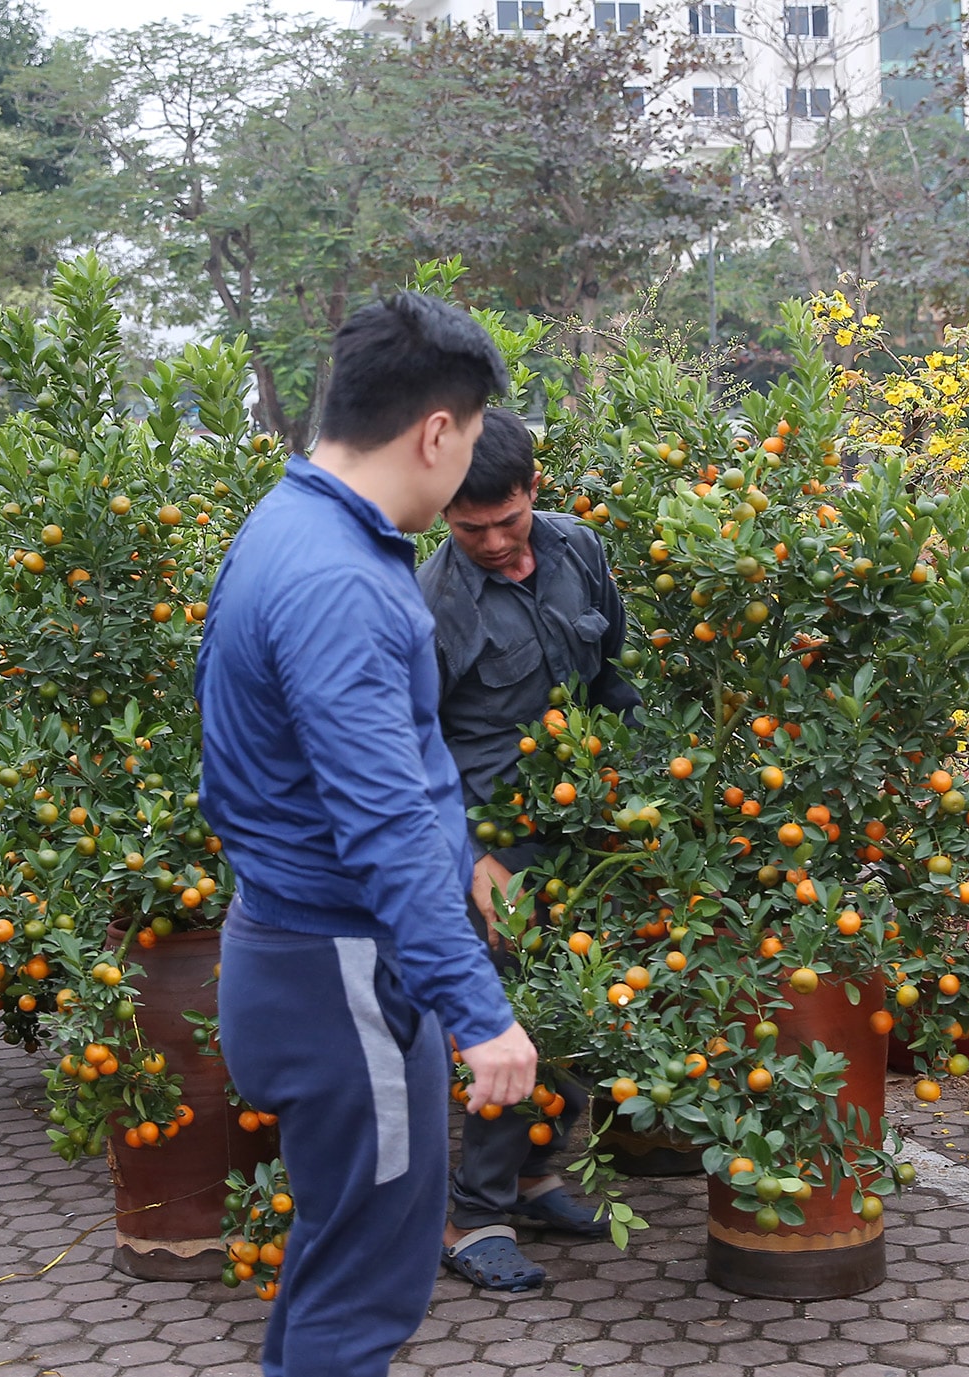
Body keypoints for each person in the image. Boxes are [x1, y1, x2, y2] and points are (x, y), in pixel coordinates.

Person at [196, 293, 539, 1377]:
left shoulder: (295, 524)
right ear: (438, 431)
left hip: (304, 959)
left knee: (339, 1258)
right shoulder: (339, 579)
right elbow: (381, 823)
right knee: (367, 1293)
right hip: (338, 974)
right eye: (474, 433)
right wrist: (479, 1016)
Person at [416, 406, 640, 1292]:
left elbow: (613, 672)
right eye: (473, 530)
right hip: (495, 841)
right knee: (510, 1018)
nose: (498, 542)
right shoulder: (430, 605)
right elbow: (413, 744)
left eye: (509, 520)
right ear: (442, 515)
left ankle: (536, 1173)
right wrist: (470, 852)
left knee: (578, 1008)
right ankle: (473, 1217)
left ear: (533, 491)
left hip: (584, 825)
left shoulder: (579, 548)